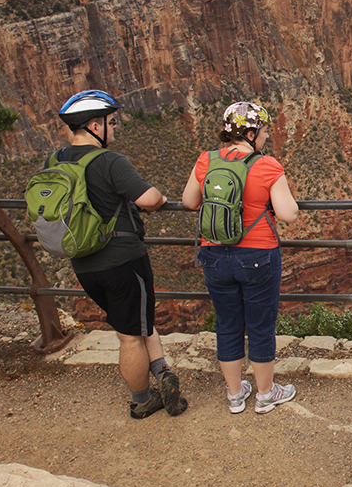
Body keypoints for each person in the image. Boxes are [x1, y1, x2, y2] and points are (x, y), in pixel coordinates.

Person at [54, 90, 187, 419]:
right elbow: (150, 198)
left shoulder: (56, 161)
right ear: (94, 126)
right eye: (111, 122)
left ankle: (162, 371)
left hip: (83, 263)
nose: (115, 128)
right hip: (122, 262)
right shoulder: (109, 161)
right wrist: (158, 200)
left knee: (136, 321)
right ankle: (143, 400)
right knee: (129, 337)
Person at [181, 102, 299, 414]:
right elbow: (288, 214)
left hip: (214, 255)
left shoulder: (206, 160)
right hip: (257, 255)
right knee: (260, 325)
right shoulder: (267, 165)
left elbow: (189, 201)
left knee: (227, 323)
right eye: (263, 131)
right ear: (250, 133)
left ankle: (235, 394)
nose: (266, 137)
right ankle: (265, 394)